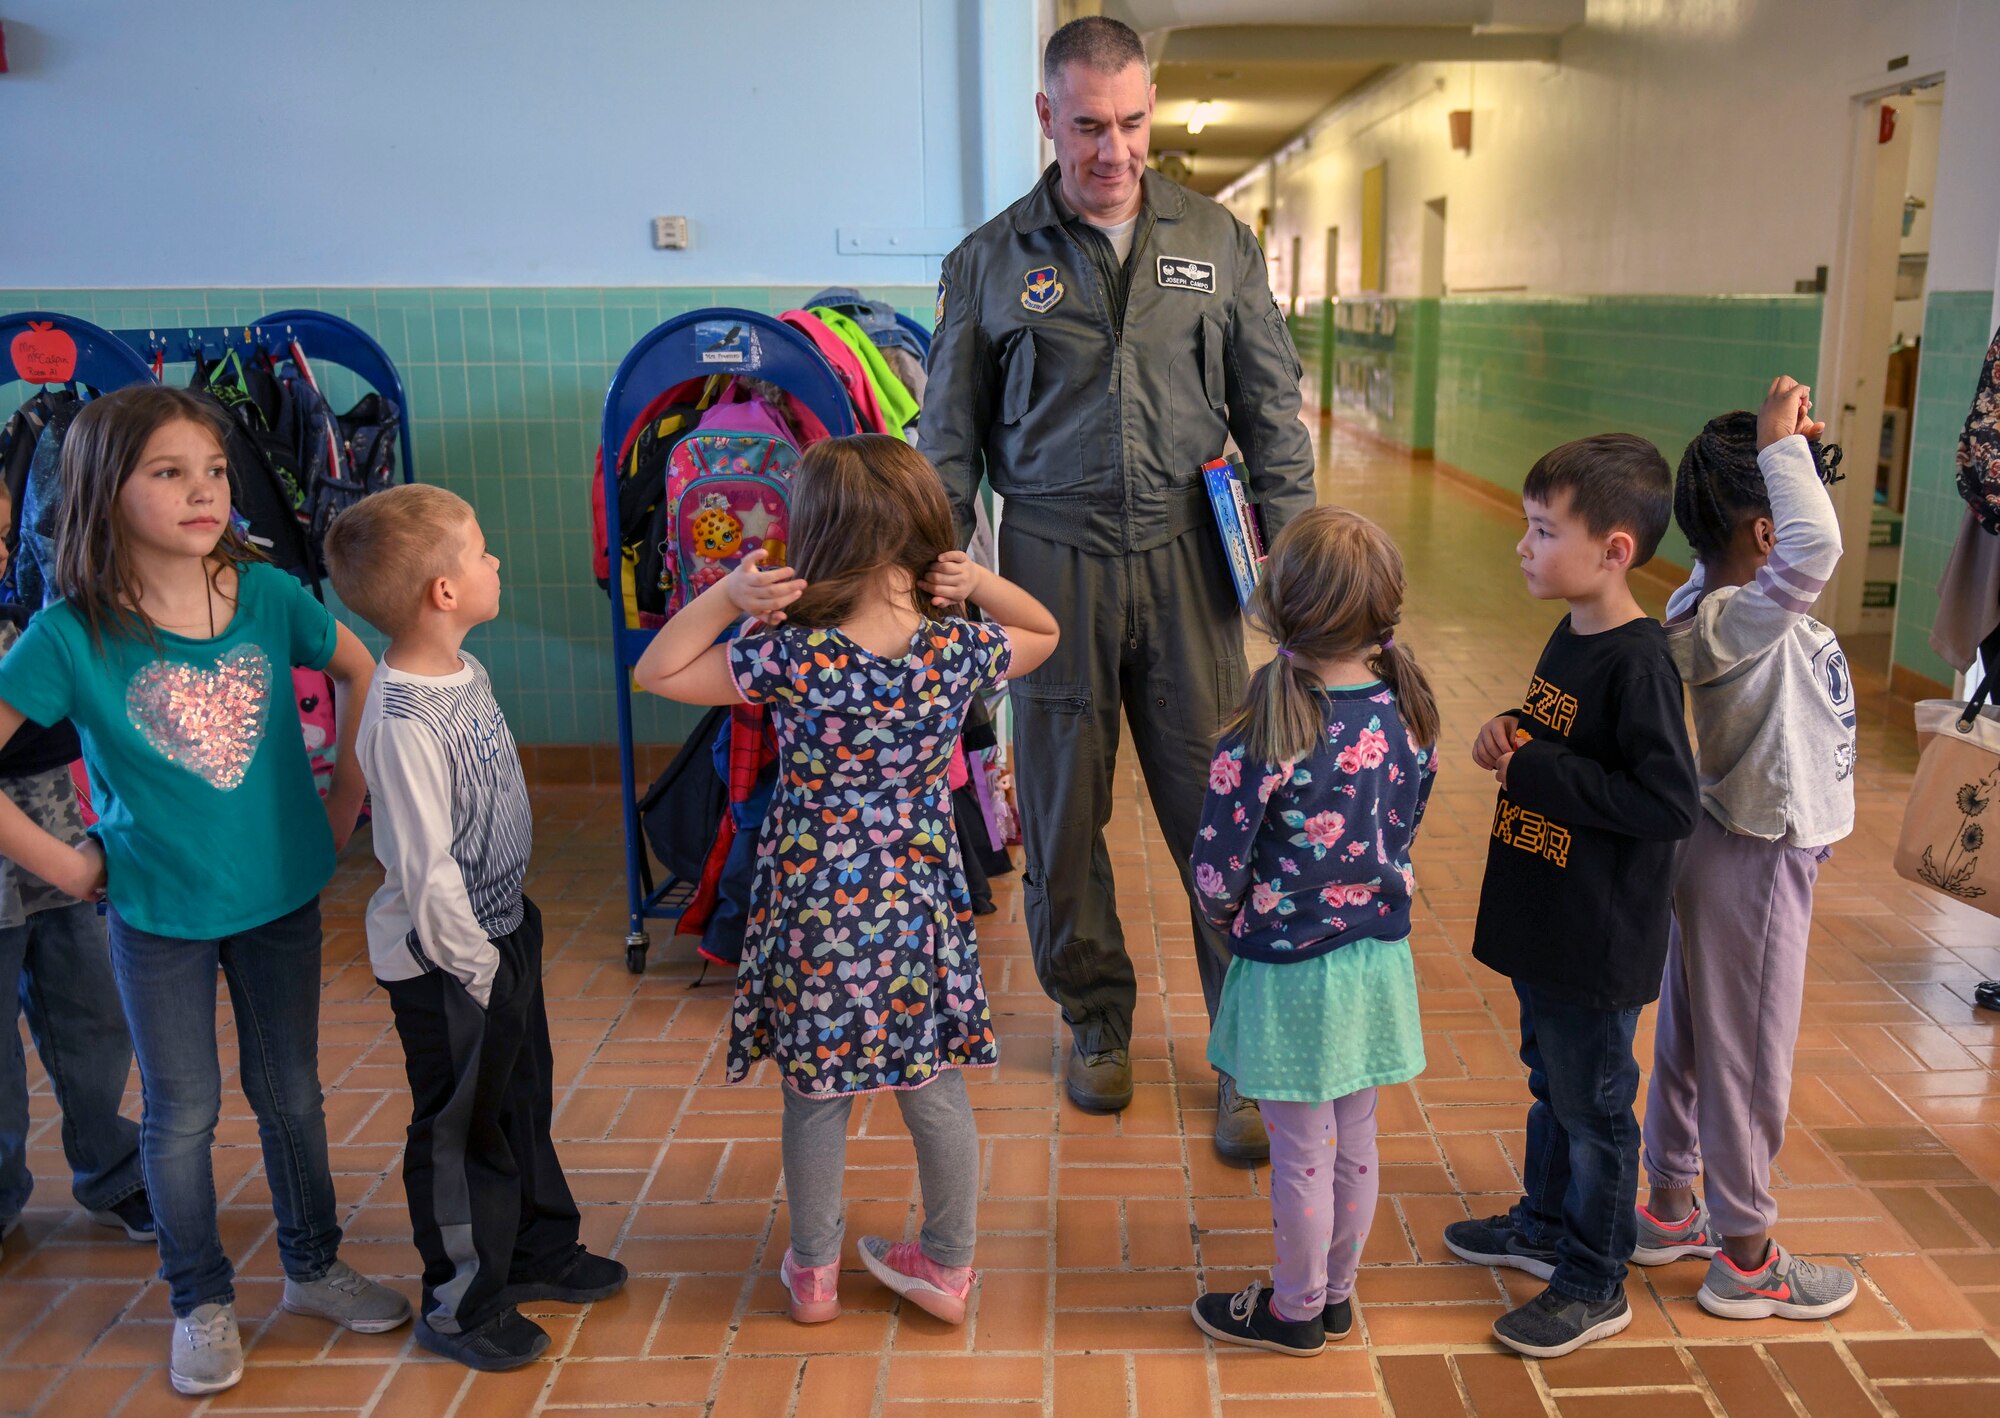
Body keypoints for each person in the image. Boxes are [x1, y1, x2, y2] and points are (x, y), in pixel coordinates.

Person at [923, 13, 1316, 1161]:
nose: (1112, 150)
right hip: (1049, 566)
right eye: (1088, 125)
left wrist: (1296, 575)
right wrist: (946, 590)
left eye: (1132, 122)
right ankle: (1094, 1016)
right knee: (1058, 808)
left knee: (1219, 808)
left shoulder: (1217, 241)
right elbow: (946, 445)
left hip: (1193, 561)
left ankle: (1241, 1047)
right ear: (1045, 118)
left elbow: (1271, 423)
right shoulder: (990, 259)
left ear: (1153, 111)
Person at [0, 386, 407, 1396]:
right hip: (156, 909)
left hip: (280, 896)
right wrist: (68, 865)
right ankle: (201, 1297)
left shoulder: (268, 594)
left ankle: (311, 1265)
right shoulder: (66, 632)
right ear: (104, 490)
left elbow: (365, 669)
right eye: (169, 472)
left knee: (293, 1094)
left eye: (214, 470)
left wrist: (343, 799)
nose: (204, 491)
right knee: (180, 1111)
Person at [636, 435, 1058, 1327]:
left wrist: (726, 592)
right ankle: (946, 1268)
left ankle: (817, 1274)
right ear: (926, 533)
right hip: (918, 899)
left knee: (816, 1092)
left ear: (818, 536)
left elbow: (657, 670)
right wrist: (975, 582)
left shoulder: (792, 654)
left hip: (815, 902)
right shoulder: (953, 647)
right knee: (932, 1084)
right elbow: (1044, 632)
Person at [324, 484, 627, 1371]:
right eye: (483, 551)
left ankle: (538, 1250)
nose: (496, 561)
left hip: (503, 931)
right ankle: (461, 1302)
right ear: (443, 592)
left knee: (522, 1097)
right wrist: (476, 969)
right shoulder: (404, 715)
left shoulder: (465, 671)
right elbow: (422, 869)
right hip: (448, 963)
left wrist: (507, 946)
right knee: (463, 1130)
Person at [1442, 434, 1699, 1359]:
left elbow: (1668, 801)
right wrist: (1512, 729)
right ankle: (1544, 1224)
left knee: (1594, 1105)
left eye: (1544, 530)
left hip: (1597, 934)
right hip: (1547, 915)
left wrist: (1542, 770)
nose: (1524, 545)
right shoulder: (1573, 631)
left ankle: (1595, 1275)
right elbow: (1559, 732)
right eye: (1527, 524)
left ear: (1615, 550)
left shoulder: (1640, 661)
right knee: (1551, 1080)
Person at [1185, 508, 1438, 1357]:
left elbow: (1217, 867)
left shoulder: (1268, 722)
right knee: (1355, 1140)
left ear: (1279, 605)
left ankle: (1294, 1311)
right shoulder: (1407, 709)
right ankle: (1335, 1298)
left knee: (1298, 1151)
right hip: (1374, 958)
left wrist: (1230, 920)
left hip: (1291, 967)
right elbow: (1405, 826)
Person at [1634, 378, 1859, 1320]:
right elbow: (1822, 541)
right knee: (1751, 1058)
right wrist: (1777, 450)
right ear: (1768, 533)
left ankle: (1671, 1205)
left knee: (1696, 1035)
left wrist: (1782, 458)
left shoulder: (1711, 601)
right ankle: (1747, 1255)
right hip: (1753, 860)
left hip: (1742, 847)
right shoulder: (1735, 618)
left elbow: (1800, 536)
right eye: (1796, 491)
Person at [0, 579, 153, 1264]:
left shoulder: (21, 620)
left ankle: (112, 1167)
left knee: (92, 1010)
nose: (3, 549)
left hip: (54, 834)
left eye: (3, 533)